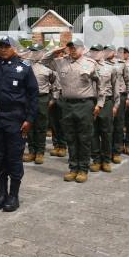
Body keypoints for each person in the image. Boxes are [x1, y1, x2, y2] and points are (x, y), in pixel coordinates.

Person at [0, 37, 38, 213]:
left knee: (14, 158)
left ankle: (13, 196)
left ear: (14, 48)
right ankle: (1, 194)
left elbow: (33, 95)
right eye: (0, 46)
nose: (3, 49)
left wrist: (29, 119)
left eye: (7, 46)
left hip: (16, 118)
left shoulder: (24, 68)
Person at [41, 39, 99, 184]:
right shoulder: (61, 62)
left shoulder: (90, 63)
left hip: (84, 104)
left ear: (82, 49)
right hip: (67, 105)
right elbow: (44, 60)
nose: (72, 50)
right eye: (70, 48)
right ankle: (73, 168)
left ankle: (83, 169)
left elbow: (100, 85)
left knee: (84, 138)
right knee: (71, 138)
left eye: (75, 48)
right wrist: (57, 50)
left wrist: (99, 103)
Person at [23, 44, 58, 164]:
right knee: (29, 126)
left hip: (42, 98)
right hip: (28, 99)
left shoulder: (47, 69)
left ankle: (40, 152)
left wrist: (53, 99)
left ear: (42, 52)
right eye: (32, 51)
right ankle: (32, 151)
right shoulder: (25, 67)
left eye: (36, 51)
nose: (34, 53)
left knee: (41, 127)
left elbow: (56, 84)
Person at [89, 45, 119, 174]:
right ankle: (96, 159)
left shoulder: (110, 68)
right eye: (93, 51)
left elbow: (115, 87)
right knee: (93, 132)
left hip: (106, 102)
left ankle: (106, 160)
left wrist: (116, 105)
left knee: (106, 132)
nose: (95, 53)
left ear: (103, 53)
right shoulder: (86, 66)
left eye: (98, 51)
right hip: (90, 102)